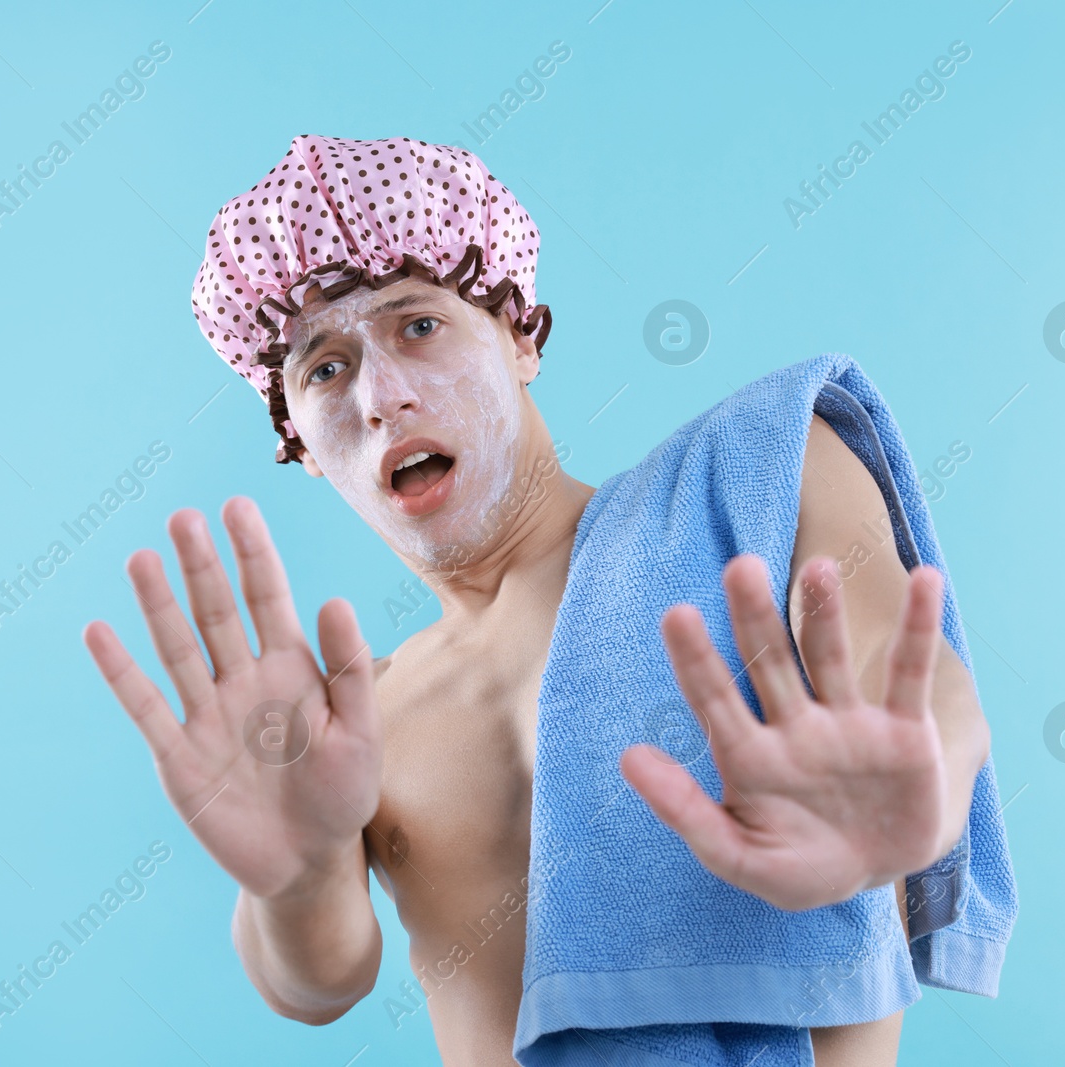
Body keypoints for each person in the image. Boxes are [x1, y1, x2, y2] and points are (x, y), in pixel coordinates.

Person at [83, 135, 1001, 1066]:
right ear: (304, 447)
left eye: (419, 326)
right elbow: (318, 981)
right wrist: (296, 875)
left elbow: (905, 667)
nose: (381, 395)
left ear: (521, 336)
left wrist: (914, 786)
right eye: (324, 369)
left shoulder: (757, 479)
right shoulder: (358, 724)